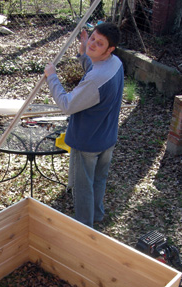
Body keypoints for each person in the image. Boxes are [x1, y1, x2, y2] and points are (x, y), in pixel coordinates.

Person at [44, 22, 124, 228]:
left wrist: (51, 76)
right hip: (107, 138)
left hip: (88, 142)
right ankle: (97, 215)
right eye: (93, 38)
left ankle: (84, 228)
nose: (93, 44)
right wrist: (83, 52)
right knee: (98, 180)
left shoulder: (97, 79)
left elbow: (67, 104)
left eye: (100, 43)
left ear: (110, 49)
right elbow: (94, 66)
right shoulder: (115, 63)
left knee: (83, 187)